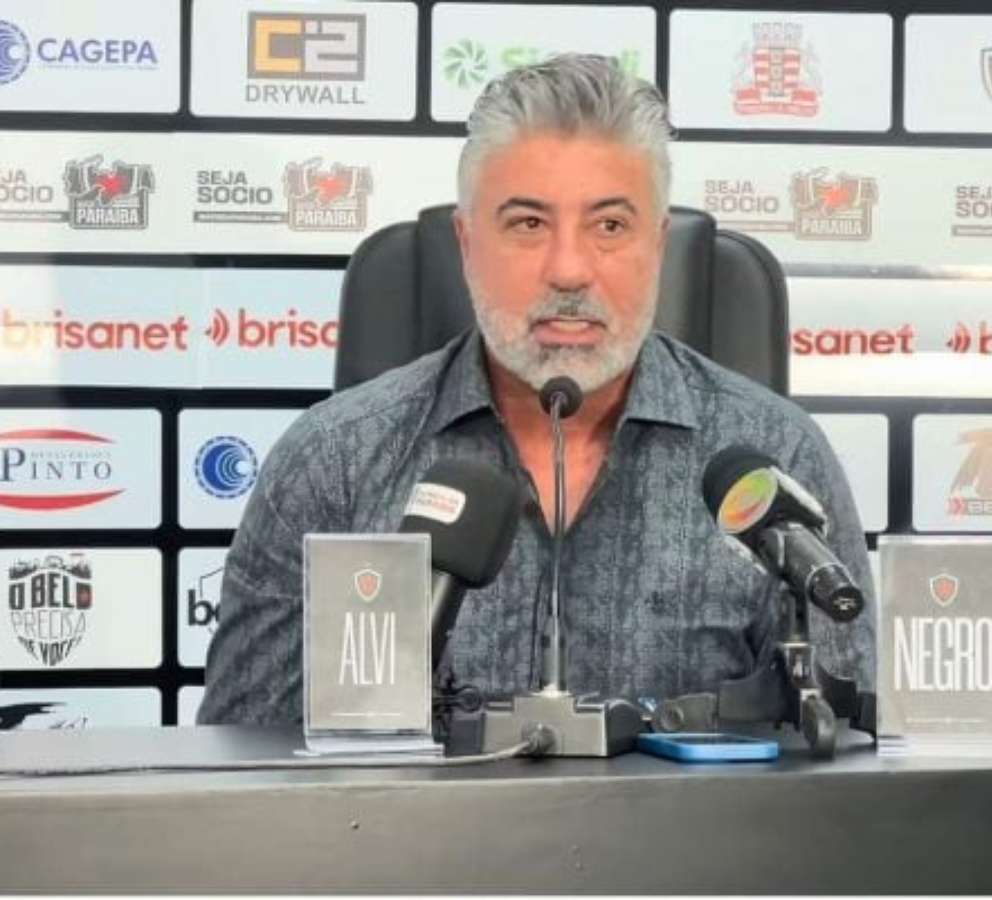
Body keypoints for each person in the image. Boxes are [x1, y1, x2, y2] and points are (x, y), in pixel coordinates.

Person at [198, 54, 874, 725]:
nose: (569, 269)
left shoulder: (778, 457)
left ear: (659, 245)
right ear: (467, 244)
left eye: (610, 226)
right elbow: (242, 757)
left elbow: (846, 757)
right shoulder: (333, 461)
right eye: (528, 224)